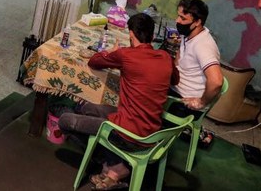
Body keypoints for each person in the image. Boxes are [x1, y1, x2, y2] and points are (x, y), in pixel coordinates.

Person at [58, 13, 178, 190]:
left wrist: (111, 52)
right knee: (87, 108)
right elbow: (175, 80)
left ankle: (114, 166)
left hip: (126, 134)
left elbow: (94, 61)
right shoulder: (165, 57)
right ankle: (114, 165)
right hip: (152, 132)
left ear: (130, 35)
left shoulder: (126, 55)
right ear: (152, 37)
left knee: (64, 120)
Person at [169, 0, 224, 114]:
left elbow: (217, 81)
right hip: (175, 89)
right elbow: (178, 60)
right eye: (178, 16)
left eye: (183, 18)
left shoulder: (203, 46)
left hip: (184, 101)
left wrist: (201, 102)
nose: (177, 20)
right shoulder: (188, 33)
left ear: (197, 22)